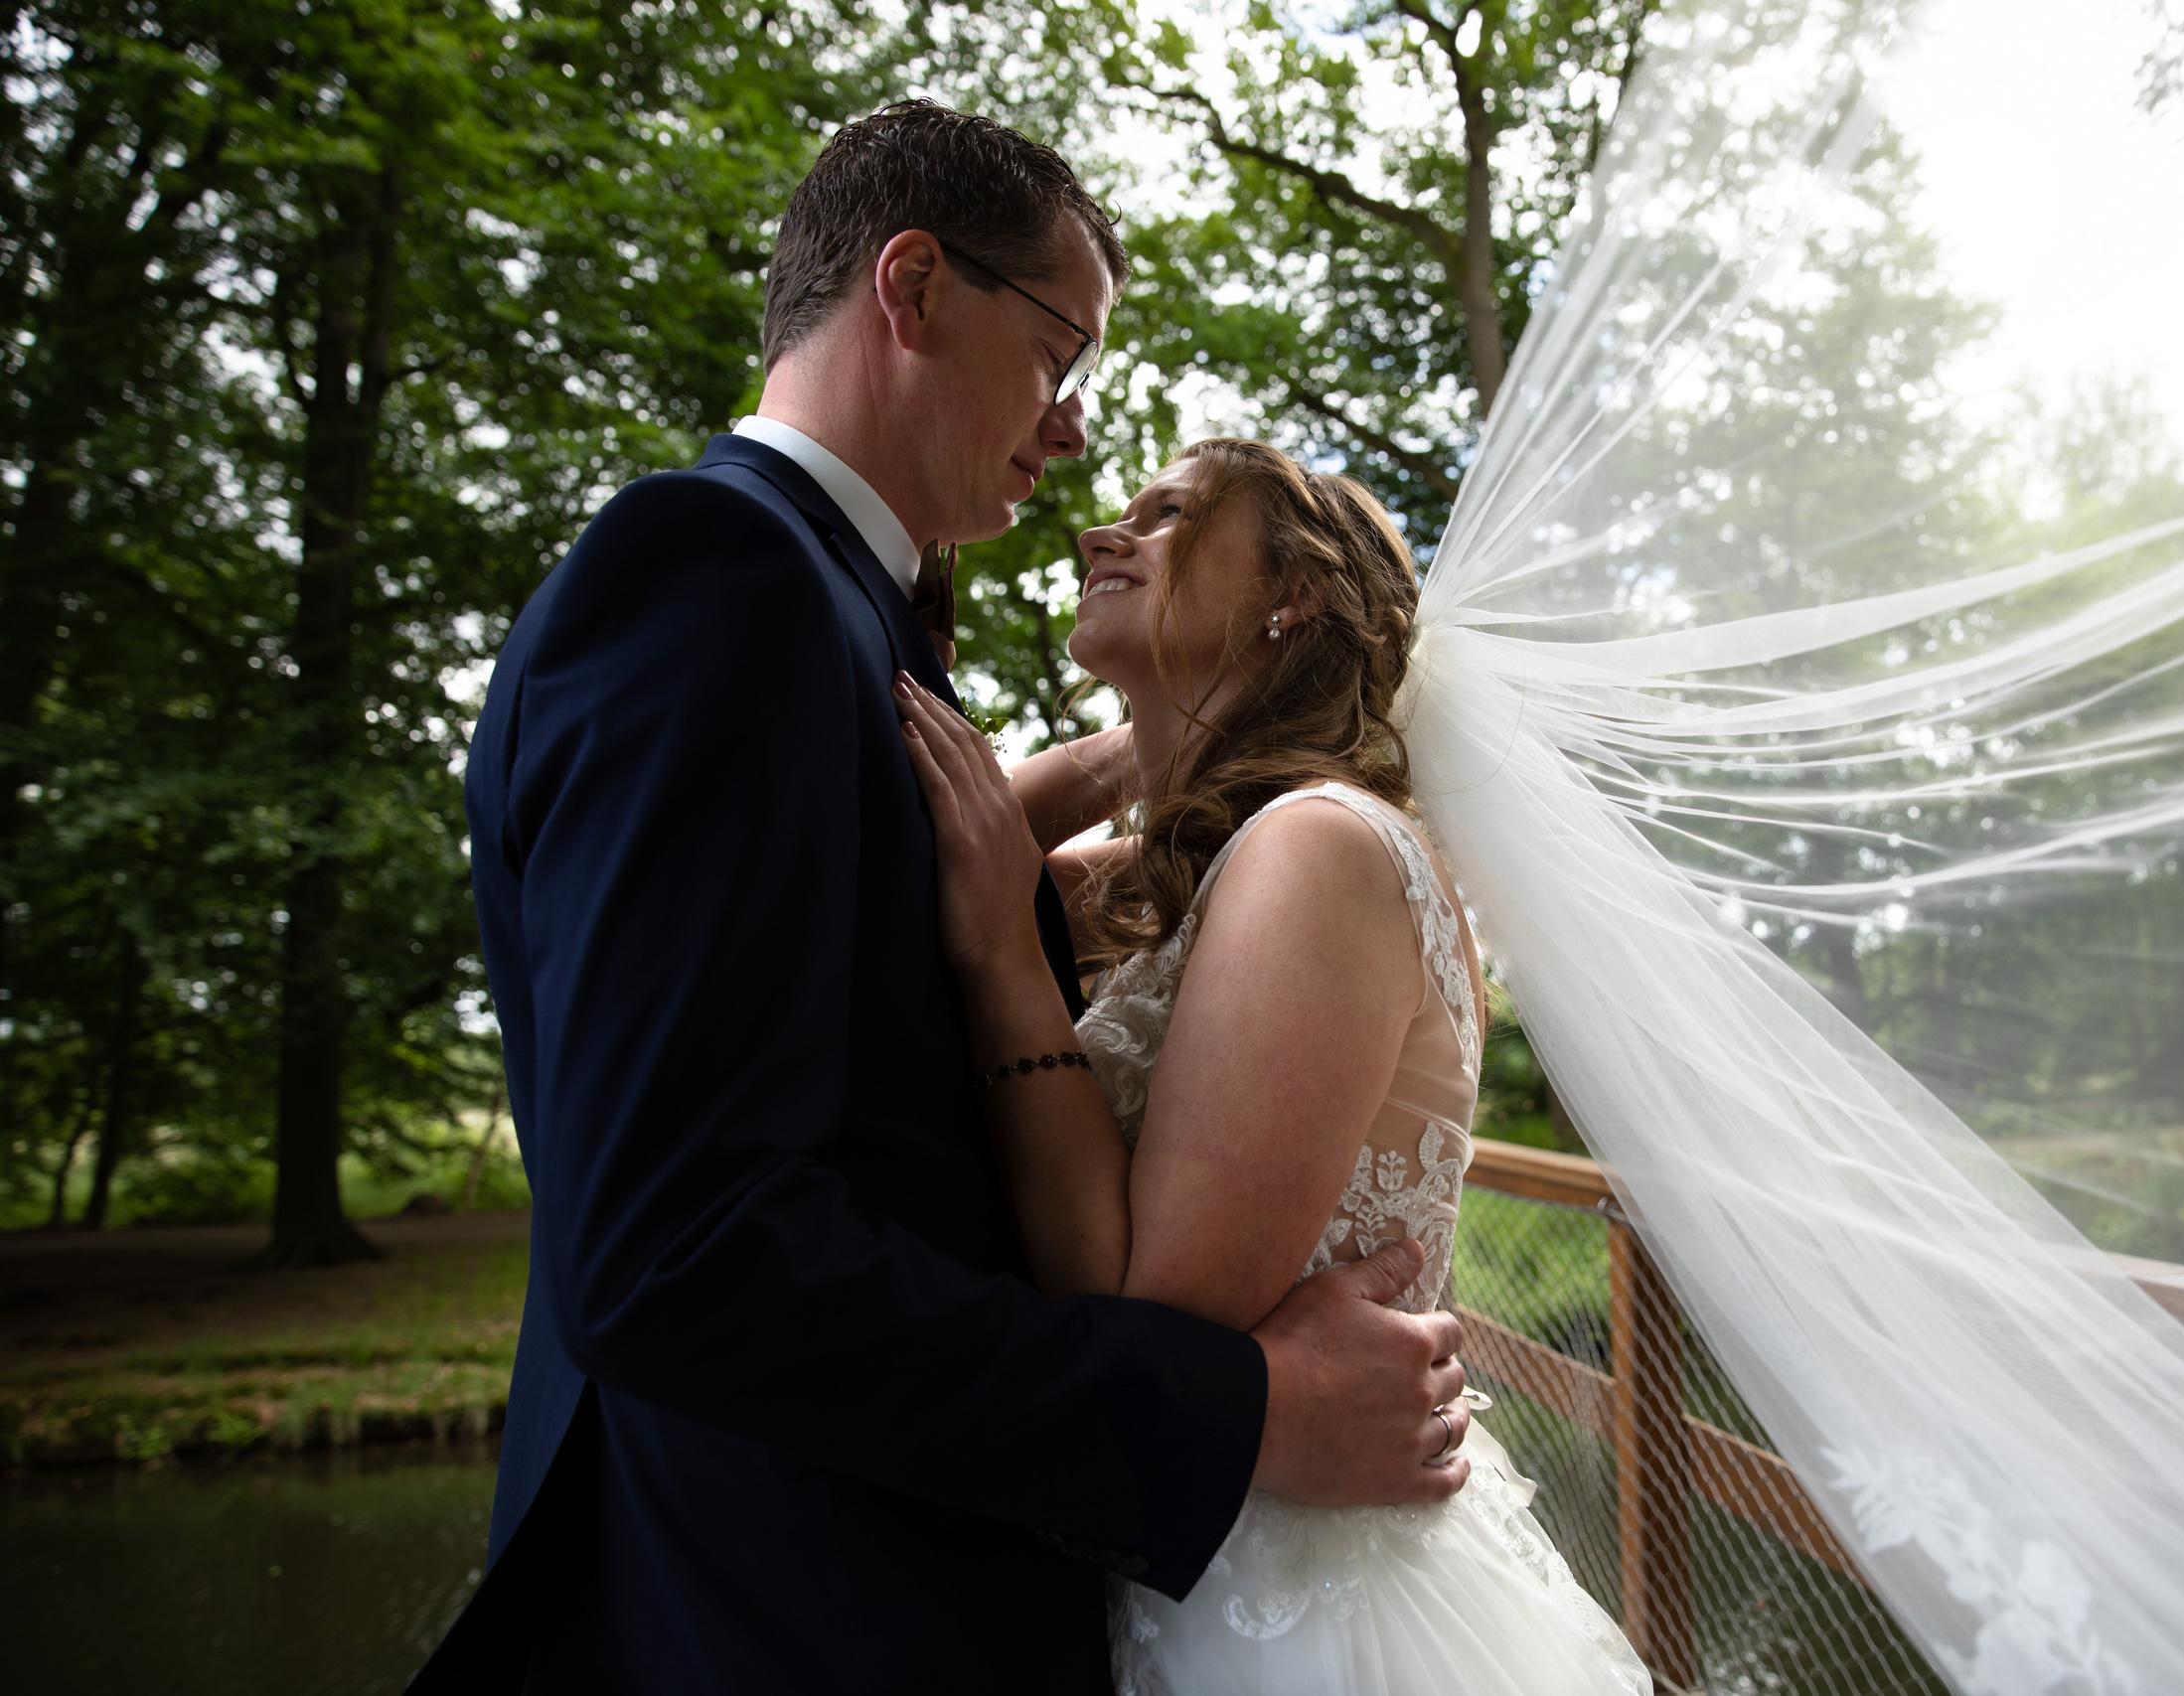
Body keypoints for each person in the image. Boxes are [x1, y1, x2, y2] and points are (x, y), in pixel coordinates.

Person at [409, 104, 1475, 1695]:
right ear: (913, 292)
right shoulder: (717, 575)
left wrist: (1154, 758)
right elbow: (676, 1245)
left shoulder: (833, 613)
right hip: (787, 1607)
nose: (1073, 436)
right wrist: (1243, 1407)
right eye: (1061, 358)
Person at [894, 437, 1653, 1694]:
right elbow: (957, 856)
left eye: (1169, 515)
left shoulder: (1322, 851)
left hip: (1304, 1607)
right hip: (1188, 1555)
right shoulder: (1204, 867)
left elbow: (1148, 1311)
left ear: (1290, 595)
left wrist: (1003, 963)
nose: (1102, 535)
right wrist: (1168, 740)